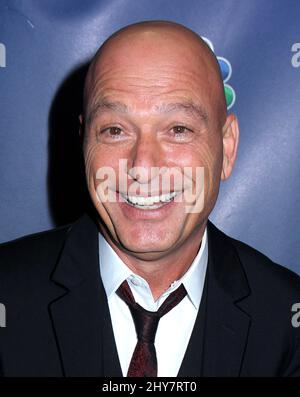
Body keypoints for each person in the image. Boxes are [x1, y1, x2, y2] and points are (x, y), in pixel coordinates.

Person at [0, 20, 299, 377]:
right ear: (83, 145)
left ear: (227, 148)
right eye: (114, 130)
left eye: (178, 129)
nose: (143, 166)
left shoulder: (286, 322)